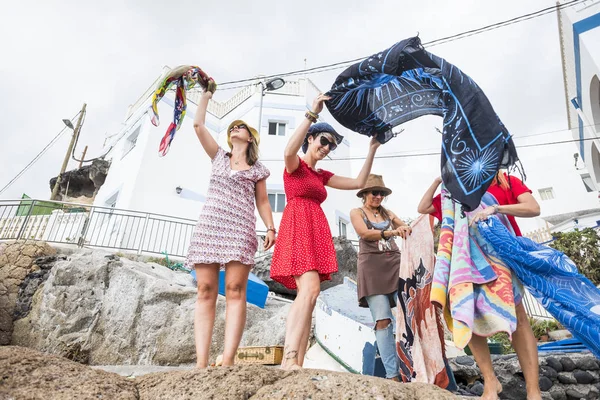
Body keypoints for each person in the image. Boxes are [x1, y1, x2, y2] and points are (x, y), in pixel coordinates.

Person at [271, 93, 381, 370]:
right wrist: (312, 113)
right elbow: (286, 152)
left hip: (315, 228)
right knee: (308, 290)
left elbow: (358, 181)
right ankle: (289, 359)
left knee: (311, 292)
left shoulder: (321, 176)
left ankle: (295, 358)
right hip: (297, 224)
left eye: (331, 145)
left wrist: (372, 149)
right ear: (311, 138)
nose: (327, 147)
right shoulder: (295, 166)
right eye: (323, 140)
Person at [418, 172, 542, 400]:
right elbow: (424, 207)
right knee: (468, 314)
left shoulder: (506, 181)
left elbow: (533, 208)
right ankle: (490, 382)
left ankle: (533, 390)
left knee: (518, 317)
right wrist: (438, 180)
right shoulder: (456, 189)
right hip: (466, 259)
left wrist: (496, 209)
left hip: (502, 254)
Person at [184, 82, 277, 368]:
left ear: (250, 138)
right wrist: (206, 96)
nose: (235, 128)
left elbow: (262, 202)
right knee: (205, 290)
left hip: (240, 228)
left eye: (241, 127)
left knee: (236, 289)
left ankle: (227, 361)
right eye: (232, 127)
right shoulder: (218, 157)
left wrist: (271, 227)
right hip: (210, 226)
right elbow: (199, 126)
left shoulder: (258, 169)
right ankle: (200, 363)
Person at [349, 174, 411, 381]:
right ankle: (393, 375)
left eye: (381, 193)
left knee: (409, 311)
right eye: (375, 192)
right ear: (365, 193)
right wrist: (392, 233)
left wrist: (405, 228)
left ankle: (412, 366)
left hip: (394, 263)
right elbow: (364, 233)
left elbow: (405, 228)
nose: (378, 196)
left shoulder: (389, 213)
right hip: (371, 268)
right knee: (383, 320)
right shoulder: (356, 212)